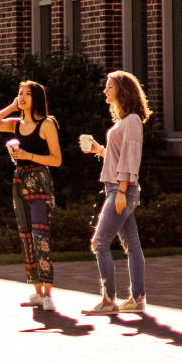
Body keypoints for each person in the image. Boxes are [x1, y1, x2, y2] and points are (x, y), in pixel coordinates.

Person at [78, 69, 152, 314]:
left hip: (121, 190)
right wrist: (99, 150)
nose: (105, 90)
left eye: (109, 86)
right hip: (119, 188)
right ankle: (138, 299)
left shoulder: (131, 121)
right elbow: (119, 156)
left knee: (99, 243)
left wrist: (121, 190)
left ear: (122, 90)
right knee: (132, 244)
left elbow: (131, 159)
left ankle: (109, 300)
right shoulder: (125, 121)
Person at [0, 80, 62, 310]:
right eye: (20, 93)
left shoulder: (47, 124)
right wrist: (11, 107)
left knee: (41, 237)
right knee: (26, 236)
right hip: (19, 184)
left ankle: (48, 293)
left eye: (27, 94)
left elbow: (56, 160)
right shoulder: (16, 125)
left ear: (36, 98)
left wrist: (27, 154)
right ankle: (37, 291)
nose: (22, 97)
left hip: (39, 184)